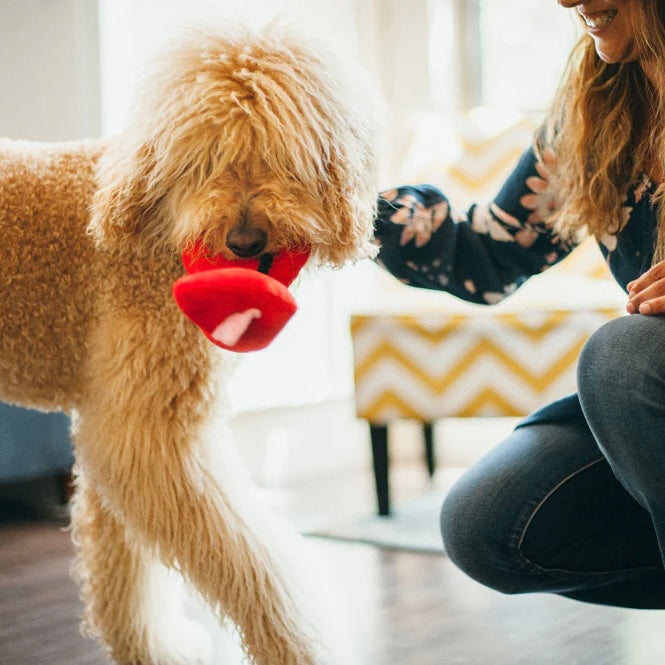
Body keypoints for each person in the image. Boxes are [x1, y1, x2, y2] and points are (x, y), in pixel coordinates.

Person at [373, 0, 665, 608]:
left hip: (639, 370)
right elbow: (485, 258)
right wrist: (340, 201)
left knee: (623, 355)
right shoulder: (596, 106)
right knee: (489, 523)